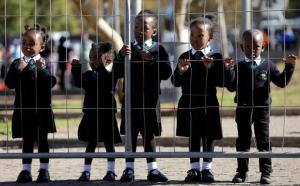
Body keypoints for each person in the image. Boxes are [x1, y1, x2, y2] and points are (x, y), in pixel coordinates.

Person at [224, 29, 297, 184]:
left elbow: (281, 82)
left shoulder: (268, 65)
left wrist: (289, 67)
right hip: (243, 109)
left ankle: (265, 172)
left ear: (263, 47)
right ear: (242, 48)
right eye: (248, 46)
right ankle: (242, 172)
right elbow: (230, 86)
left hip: (262, 109)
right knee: (243, 140)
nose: (252, 50)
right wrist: (228, 69)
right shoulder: (239, 66)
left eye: (256, 46)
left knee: (263, 140)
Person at [117, 9, 172, 182]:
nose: (139, 31)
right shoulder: (128, 49)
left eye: (145, 27)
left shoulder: (158, 49)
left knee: (149, 134)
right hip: (130, 99)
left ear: (154, 31)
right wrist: (120, 56)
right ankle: (129, 169)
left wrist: (152, 60)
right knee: (130, 134)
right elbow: (117, 72)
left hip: (150, 100)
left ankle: (152, 169)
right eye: (137, 27)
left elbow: (166, 73)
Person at [171, 19, 224, 183]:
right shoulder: (184, 56)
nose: (195, 39)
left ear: (210, 37)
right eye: (192, 35)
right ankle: (194, 168)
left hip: (209, 103)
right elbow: (175, 82)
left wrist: (211, 69)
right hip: (189, 103)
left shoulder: (216, 57)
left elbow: (222, 82)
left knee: (209, 136)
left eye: (200, 35)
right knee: (193, 136)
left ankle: (207, 169)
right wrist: (181, 70)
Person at [5, 24, 56, 183]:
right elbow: (9, 83)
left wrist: (42, 71)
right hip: (24, 110)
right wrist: (18, 70)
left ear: (41, 47)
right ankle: (25, 170)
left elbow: (51, 82)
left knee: (42, 141)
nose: (27, 46)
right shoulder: (16, 63)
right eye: (24, 43)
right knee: (27, 140)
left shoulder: (45, 63)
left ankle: (44, 170)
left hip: (41, 110)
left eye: (32, 43)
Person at [71, 42, 122, 182]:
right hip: (91, 114)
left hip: (106, 114)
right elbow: (78, 83)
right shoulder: (88, 75)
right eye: (91, 57)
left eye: (97, 57)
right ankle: (86, 171)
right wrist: (76, 68)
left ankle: (111, 171)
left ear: (107, 58)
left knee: (109, 143)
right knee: (91, 143)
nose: (93, 60)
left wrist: (105, 67)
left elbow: (113, 78)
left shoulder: (110, 75)